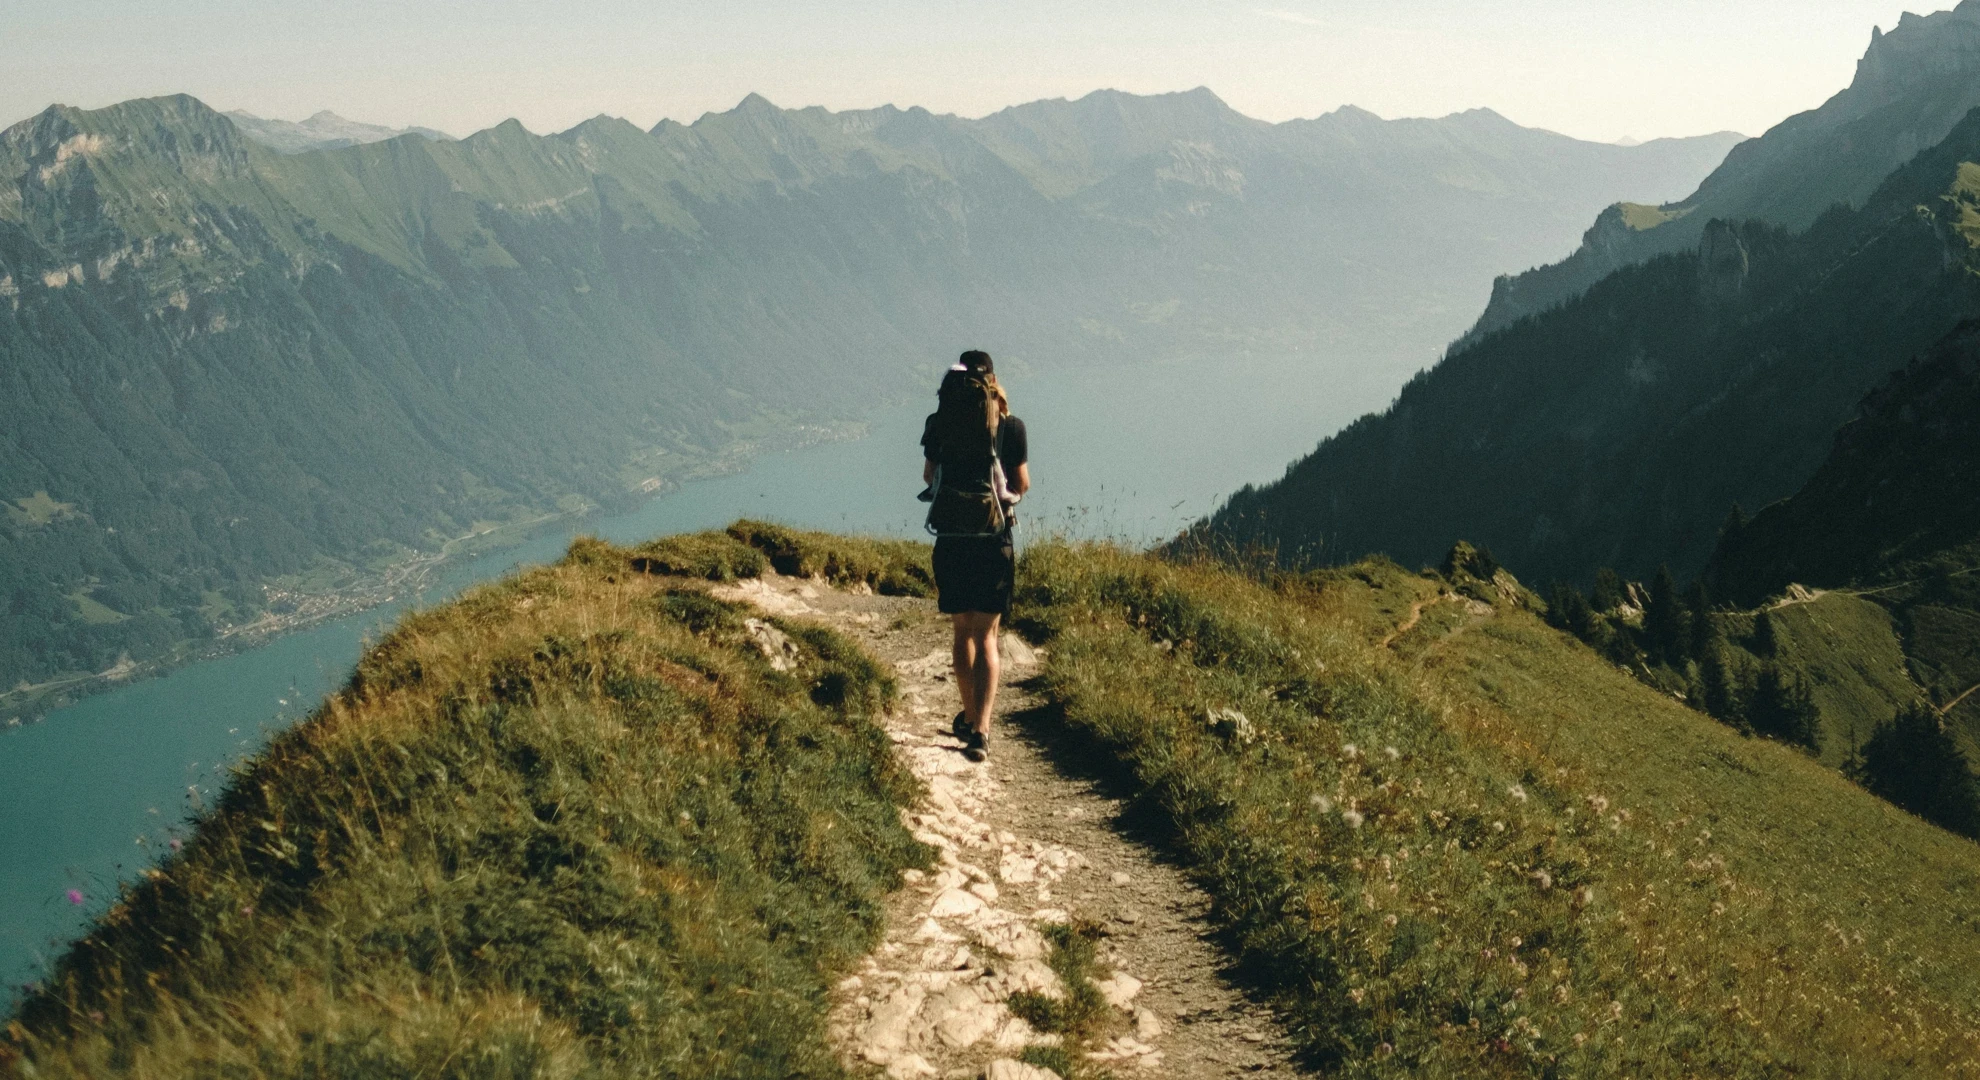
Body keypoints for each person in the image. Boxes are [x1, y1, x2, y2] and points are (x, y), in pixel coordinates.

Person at [921, 350, 1029, 762]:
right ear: (993, 381)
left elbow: (929, 476)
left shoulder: (939, 422)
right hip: (993, 540)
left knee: (962, 632)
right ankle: (981, 731)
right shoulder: (1011, 427)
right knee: (988, 637)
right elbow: (1021, 484)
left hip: (951, 539)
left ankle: (968, 716)